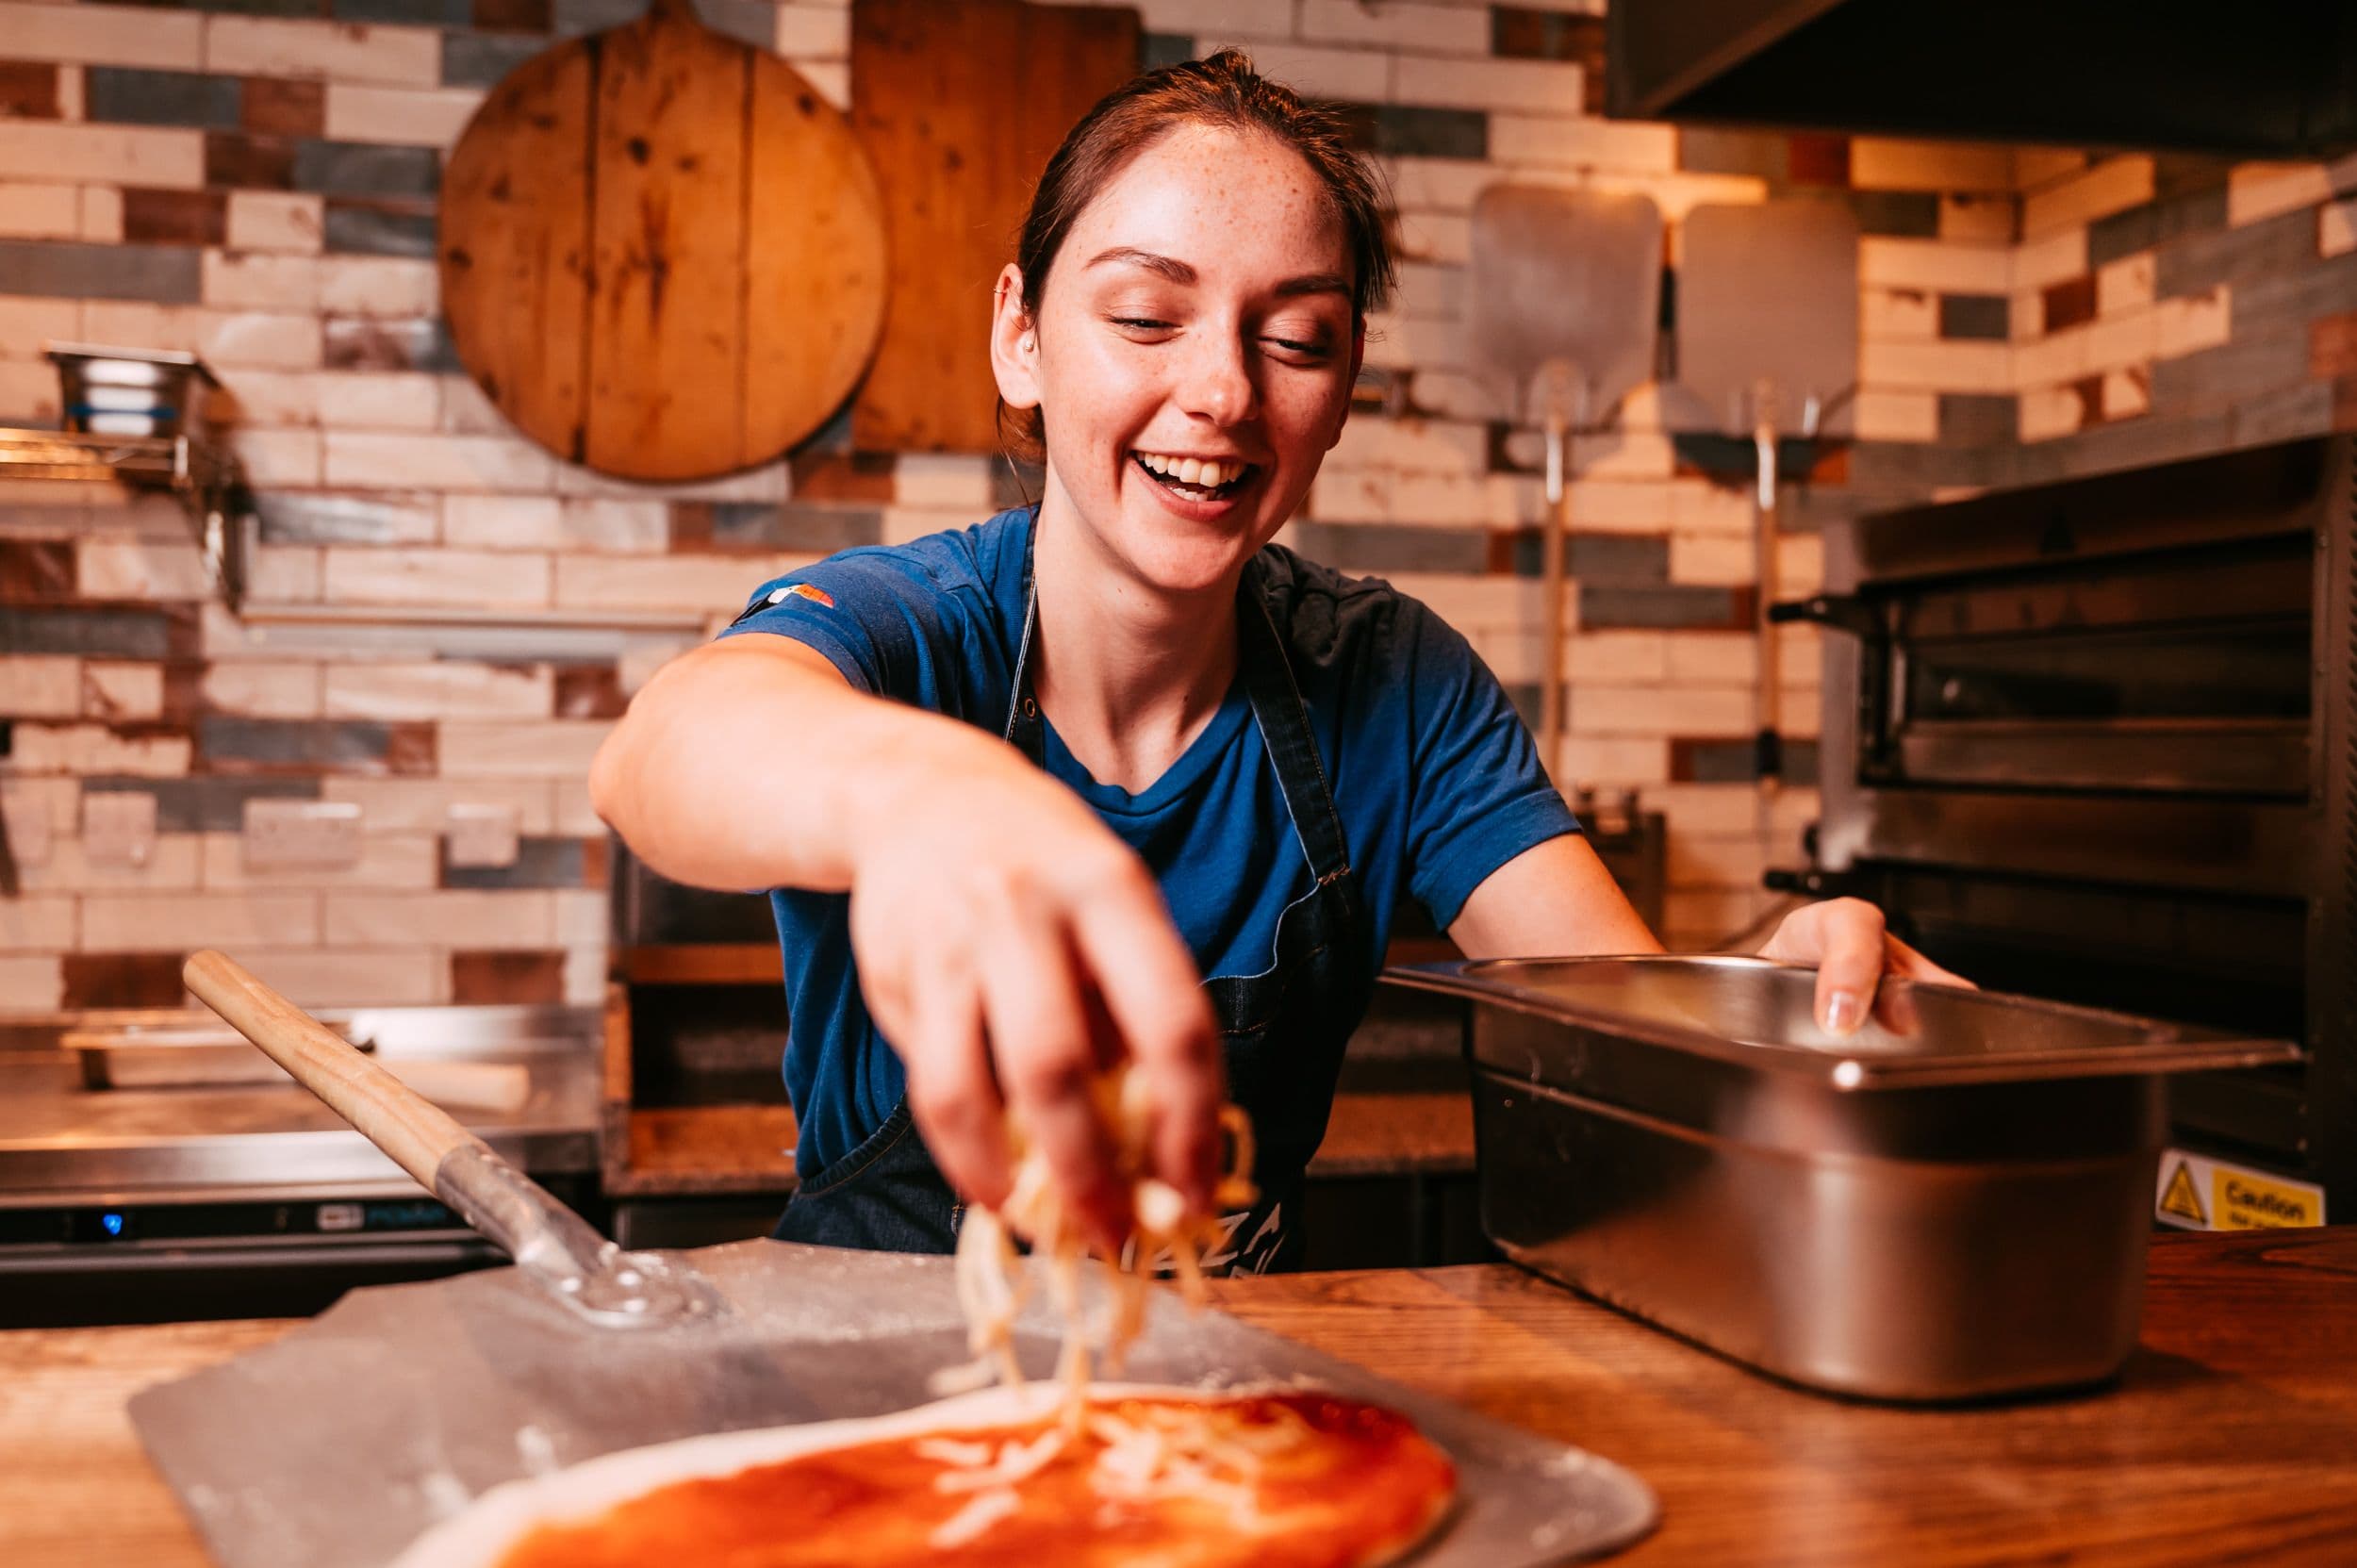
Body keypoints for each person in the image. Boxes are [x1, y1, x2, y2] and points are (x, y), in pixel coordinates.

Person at [590, 49, 1965, 1275]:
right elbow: (661, 751)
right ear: (1022, 336)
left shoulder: (1395, 682)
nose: (1226, 393)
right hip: (873, 1411)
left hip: (1236, 1420)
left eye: (1296, 336)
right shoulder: (910, 625)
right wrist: (925, 799)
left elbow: (1626, 1049)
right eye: (1145, 317)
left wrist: (1764, 1006)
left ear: (1344, 386)